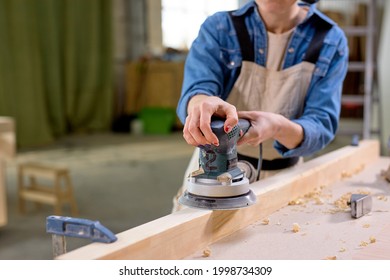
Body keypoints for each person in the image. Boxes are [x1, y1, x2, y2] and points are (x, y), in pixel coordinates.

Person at [172, 0, 349, 211]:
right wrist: (201, 104)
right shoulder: (220, 27)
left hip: (283, 177)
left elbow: (321, 125)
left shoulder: (329, 39)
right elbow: (197, 88)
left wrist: (277, 127)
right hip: (212, 180)